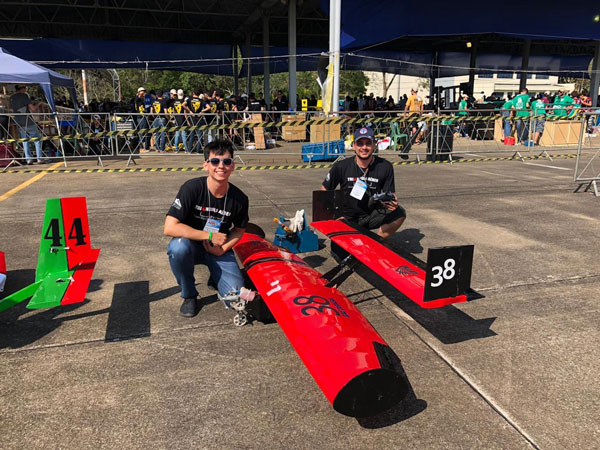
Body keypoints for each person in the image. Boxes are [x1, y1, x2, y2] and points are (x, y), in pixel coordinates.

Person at [164, 139, 249, 317]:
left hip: (219, 248)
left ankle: (216, 275)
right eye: (215, 161)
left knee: (234, 299)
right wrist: (209, 235)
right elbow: (170, 227)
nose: (221, 166)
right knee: (177, 248)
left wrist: (223, 249)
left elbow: (239, 230)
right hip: (192, 245)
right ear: (206, 165)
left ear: (233, 166)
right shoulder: (192, 188)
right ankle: (189, 295)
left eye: (226, 161)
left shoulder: (240, 198)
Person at [321, 127, 406, 239]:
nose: (364, 147)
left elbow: (390, 193)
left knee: (399, 213)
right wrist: (334, 215)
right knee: (343, 254)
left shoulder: (385, 167)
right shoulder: (341, 166)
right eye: (360, 143)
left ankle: (378, 241)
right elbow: (324, 190)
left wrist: (393, 201)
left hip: (370, 215)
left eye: (368, 143)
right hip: (347, 217)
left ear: (374, 145)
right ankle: (351, 233)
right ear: (353, 146)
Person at [10, 85, 47, 164]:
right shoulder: (24, 96)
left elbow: (12, 109)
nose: (26, 89)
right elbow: (33, 108)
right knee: (37, 139)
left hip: (19, 121)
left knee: (25, 140)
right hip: (28, 121)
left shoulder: (12, 97)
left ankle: (28, 159)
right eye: (25, 88)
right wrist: (39, 103)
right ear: (22, 89)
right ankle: (39, 158)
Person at [133, 87, 151, 152]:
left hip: (142, 117)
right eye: (142, 91)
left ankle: (145, 147)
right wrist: (139, 95)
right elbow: (136, 102)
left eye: (144, 91)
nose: (144, 93)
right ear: (139, 92)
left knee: (145, 132)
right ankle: (141, 147)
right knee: (142, 132)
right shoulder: (137, 99)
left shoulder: (141, 100)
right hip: (140, 117)